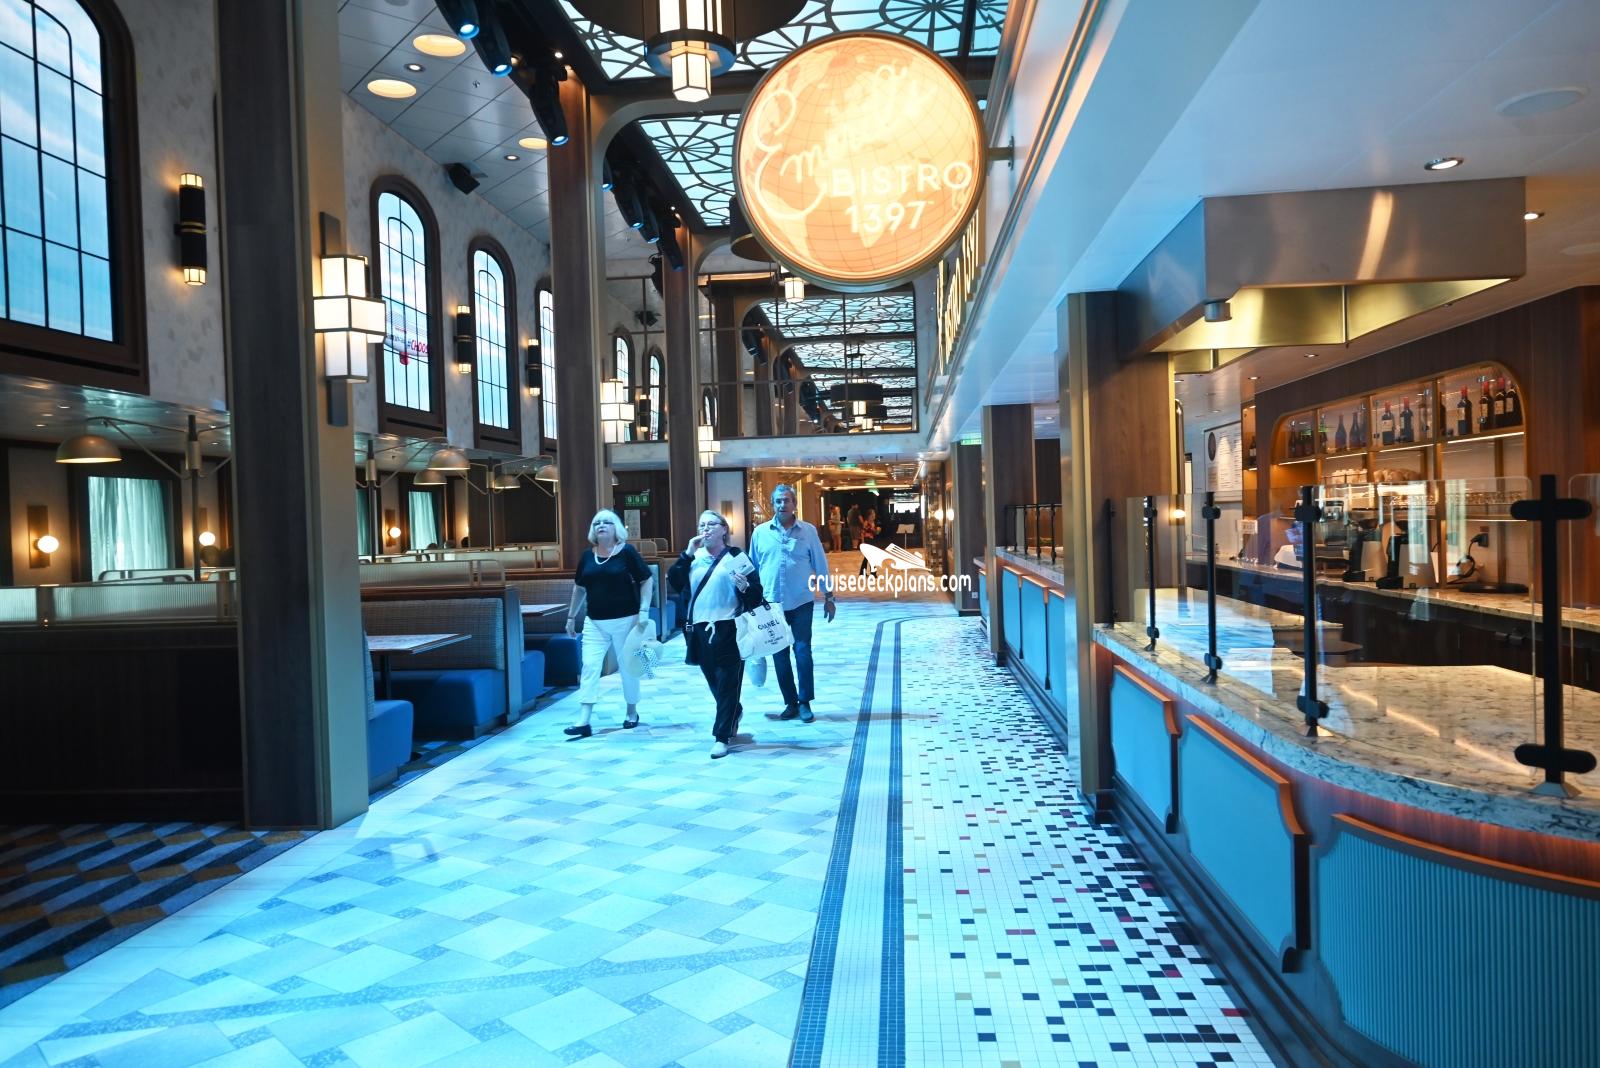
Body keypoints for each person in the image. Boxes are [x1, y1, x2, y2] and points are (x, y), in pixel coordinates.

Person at [668, 511, 764, 758]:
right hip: (699, 629)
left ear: (724, 529)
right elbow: (675, 582)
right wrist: (687, 553)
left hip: (729, 627)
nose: (706, 528)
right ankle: (734, 711)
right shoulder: (694, 557)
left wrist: (745, 586)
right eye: (702, 524)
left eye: (711, 524)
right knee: (714, 681)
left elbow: (756, 593)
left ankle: (721, 736)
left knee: (728, 682)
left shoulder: (735, 556)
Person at [563, 509, 654, 738]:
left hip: (627, 620)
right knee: (590, 666)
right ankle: (584, 720)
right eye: (597, 523)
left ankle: (631, 710)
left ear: (616, 528)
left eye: (606, 522)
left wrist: (643, 610)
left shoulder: (627, 552)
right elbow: (579, 588)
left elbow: (646, 579)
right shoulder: (587, 556)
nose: (601, 526)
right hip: (595, 622)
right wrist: (571, 617)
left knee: (628, 667)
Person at [750, 484, 836, 724]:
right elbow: (753, 569)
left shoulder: (808, 531)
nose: (782, 505)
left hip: (801, 601)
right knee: (779, 655)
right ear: (772, 504)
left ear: (794, 504)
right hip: (771, 605)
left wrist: (829, 597)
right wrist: (751, 602)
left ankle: (805, 701)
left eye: (786, 500)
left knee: (802, 651)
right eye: (778, 501)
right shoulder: (760, 533)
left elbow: (820, 564)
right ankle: (790, 702)